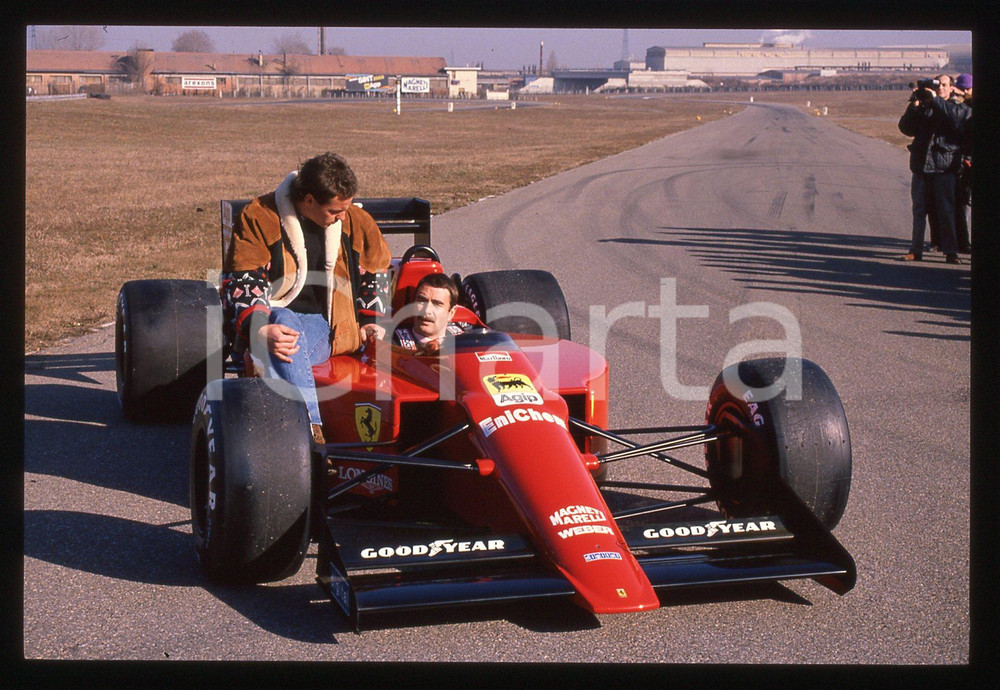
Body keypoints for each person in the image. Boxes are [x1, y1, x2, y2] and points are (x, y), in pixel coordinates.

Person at [221, 152, 391, 446]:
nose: (342, 216)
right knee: (282, 319)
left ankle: (295, 433)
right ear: (309, 200)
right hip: (274, 323)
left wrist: (370, 321)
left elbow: (377, 271)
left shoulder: (358, 223)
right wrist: (259, 329)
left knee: (284, 327)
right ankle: (311, 431)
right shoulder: (260, 216)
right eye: (334, 210)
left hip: (328, 326)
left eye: (345, 209)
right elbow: (242, 276)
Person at [897, 74, 970, 264]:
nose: (941, 88)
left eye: (944, 85)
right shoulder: (926, 106)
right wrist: (914, 107)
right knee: (919, 210)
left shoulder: (958, 107)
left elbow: (955, 118)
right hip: (922, 165)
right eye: (937, 85)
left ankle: (951, 251)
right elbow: (906, 128)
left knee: (946, 210)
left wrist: (935, 100)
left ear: (952, 88)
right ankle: (915, 250)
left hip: (945, 166)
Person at [392, 273, 468, 353]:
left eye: (437, 304)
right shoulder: (391, 343)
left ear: (451, 313)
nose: (427, 310)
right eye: (421, 301)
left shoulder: (467, 339)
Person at [953, 72, 973, 253]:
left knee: (965, 203)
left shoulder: (969, 107)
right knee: (964, 203)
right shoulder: (960, 107)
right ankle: (963, 241)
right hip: (965, 160)